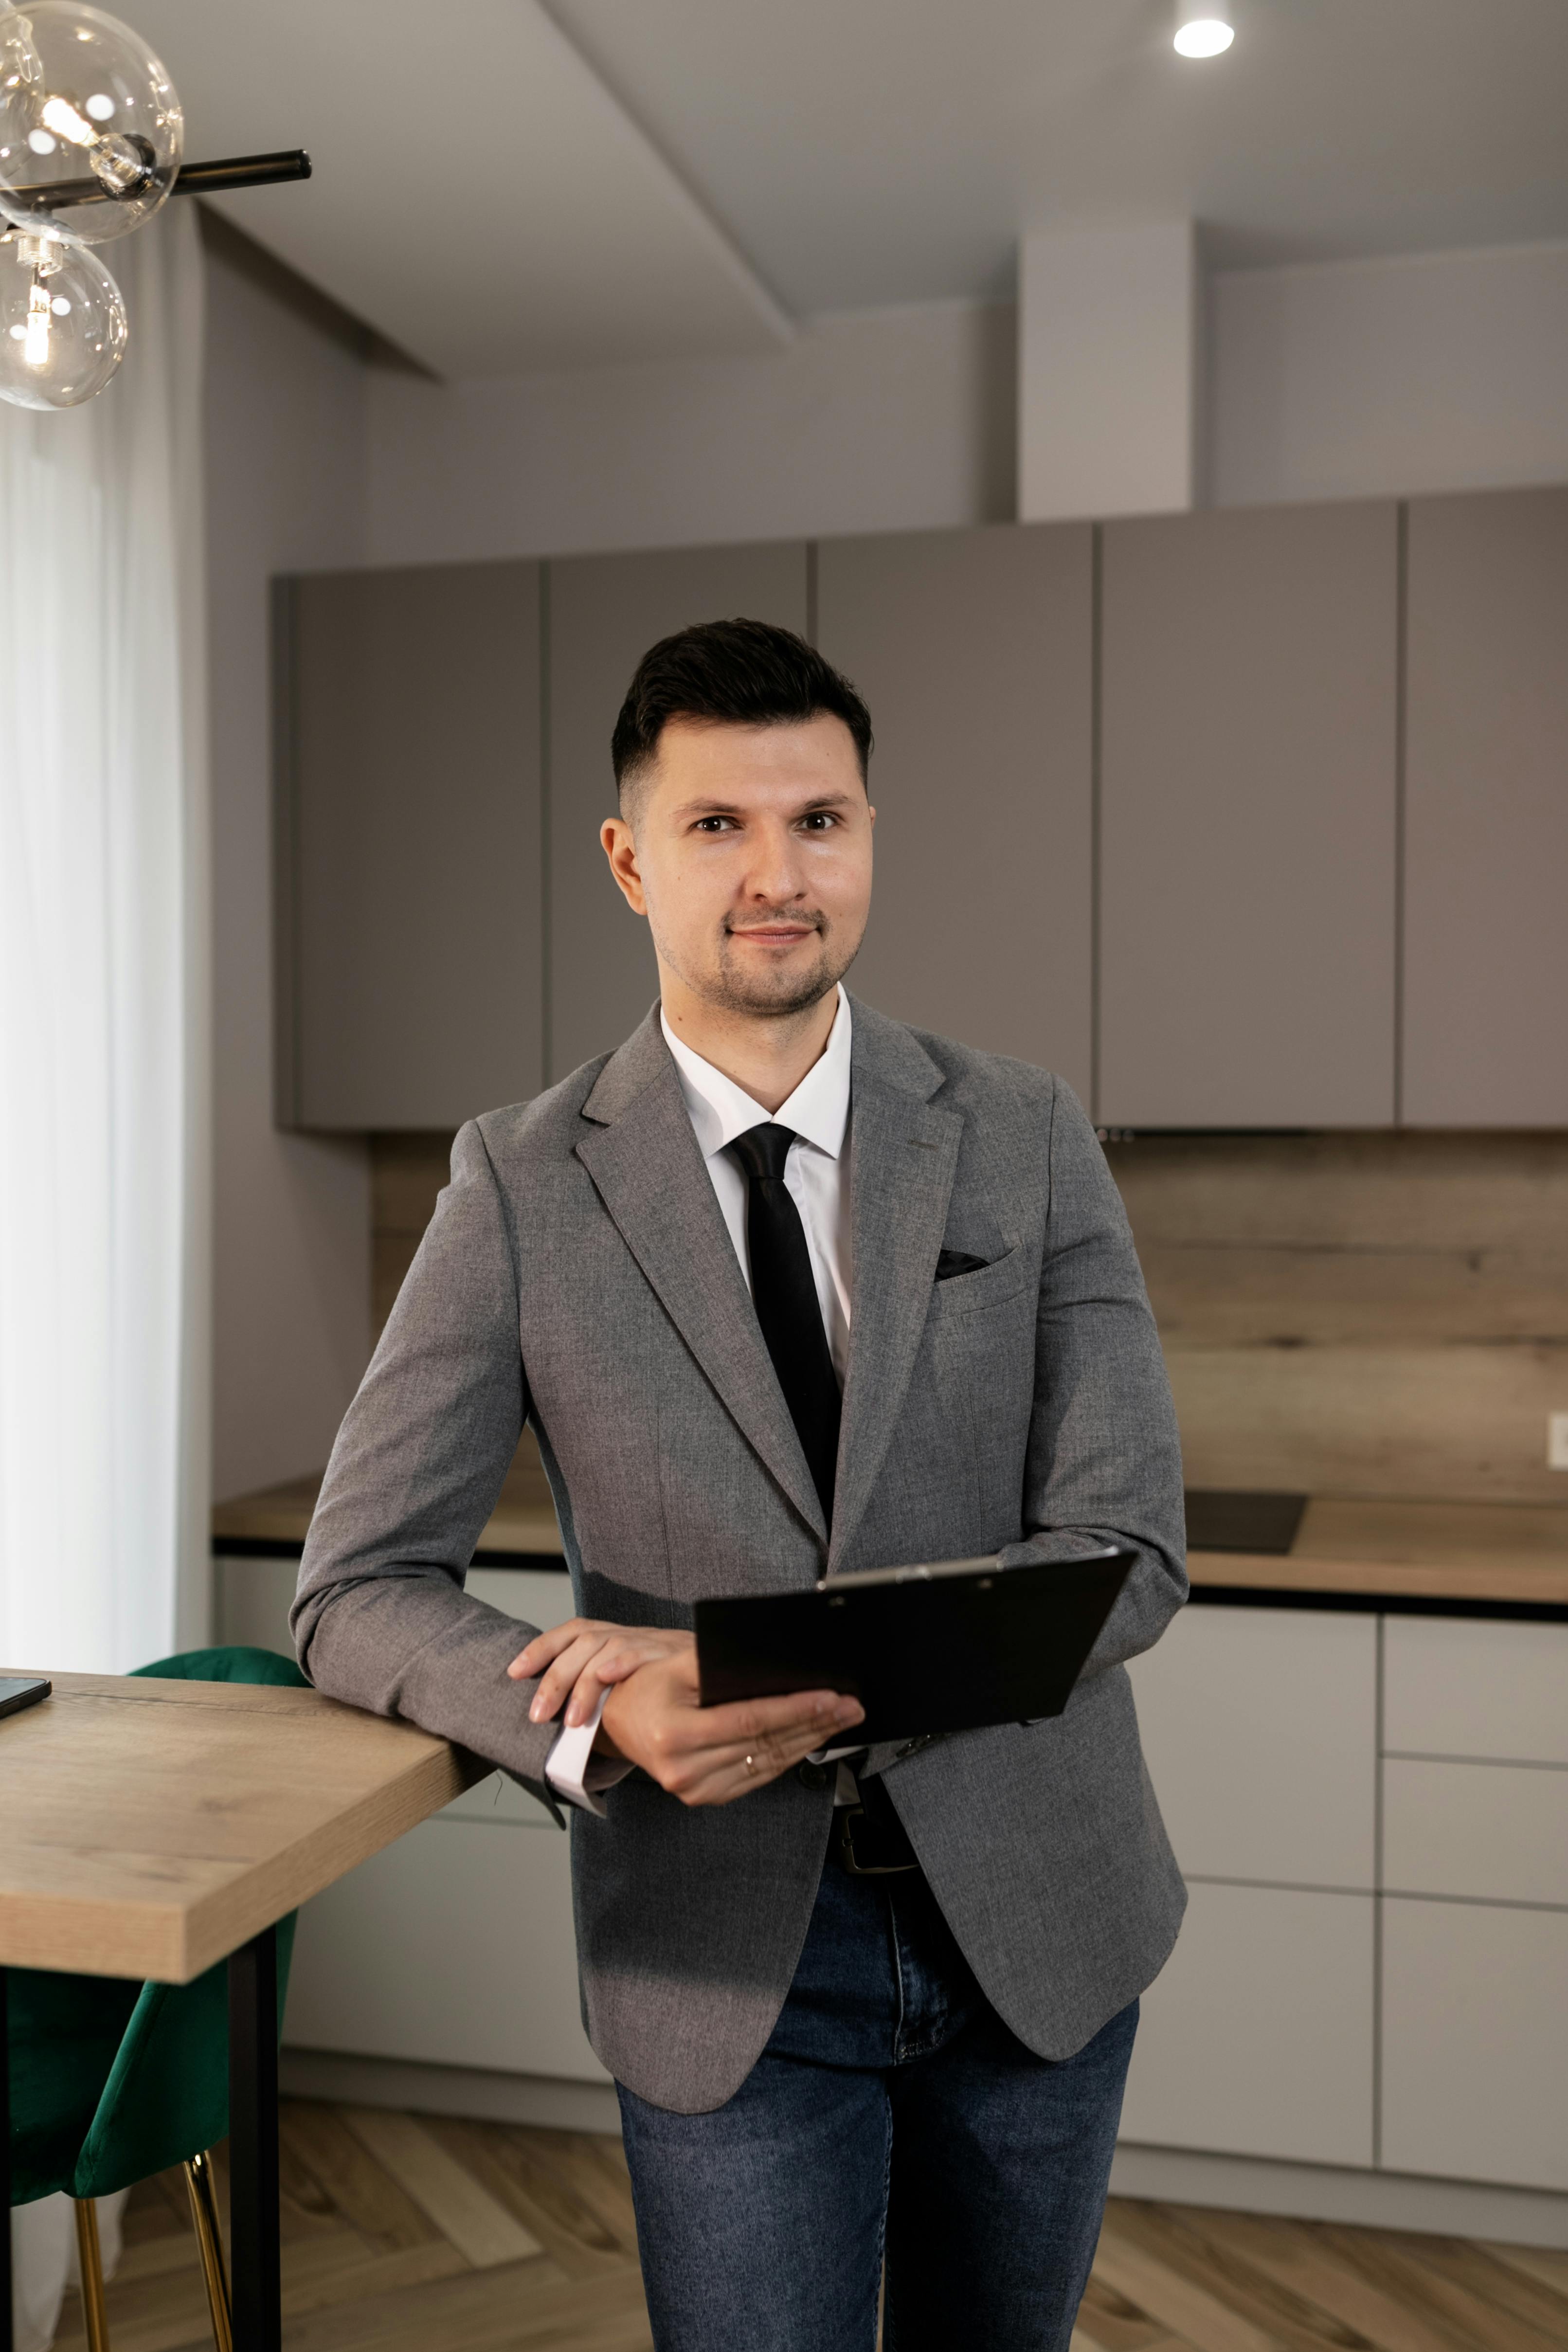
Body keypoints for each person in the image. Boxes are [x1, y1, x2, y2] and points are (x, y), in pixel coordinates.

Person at [292, 617, 1187, 2352]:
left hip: (1041, 1922)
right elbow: (353, 1584)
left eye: (822, 820)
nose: (779, 873)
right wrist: (592, 1720)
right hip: (721, 1960)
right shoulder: (520, 1182)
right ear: (631, 859)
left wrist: (752, 1669)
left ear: (868, 839)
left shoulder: (1025, 1127)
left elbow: (1127, 1545)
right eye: (719, 826)